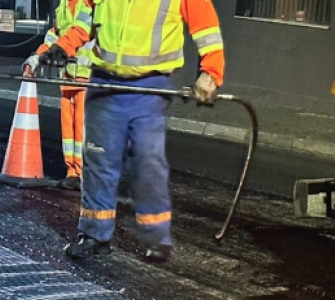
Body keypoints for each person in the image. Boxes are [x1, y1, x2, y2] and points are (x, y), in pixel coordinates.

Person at [38, 0, 224, 263]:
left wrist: (211, 72)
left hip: (149, 86)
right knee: (98, 160)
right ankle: (94, 235)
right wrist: (61, 47)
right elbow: (83, 21)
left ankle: (157, 238)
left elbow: (206, 28)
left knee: (147, 160)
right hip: (104, 81)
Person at [23, 0, 92, 191]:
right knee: (69, 128)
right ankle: (72, 171)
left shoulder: (89, 3)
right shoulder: (63, 6)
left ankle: (85, 172)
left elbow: (80, 31)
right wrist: (38, 56)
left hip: (86, 75)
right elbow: (53, 36)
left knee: (82, 126)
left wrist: (56, 51)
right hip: (68, 75)